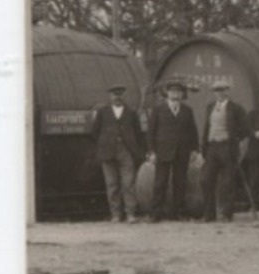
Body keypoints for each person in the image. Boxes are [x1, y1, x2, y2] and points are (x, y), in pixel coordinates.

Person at [89, 83, 145, 223]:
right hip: (108, 152)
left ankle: (131, 214)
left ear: (123, 96)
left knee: (128, 183)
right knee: (112, 184)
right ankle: (115, 214)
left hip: (126, 152)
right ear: (110, 96)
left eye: (120, 94)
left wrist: (135, 150)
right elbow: (94, 132)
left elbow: (138, 134)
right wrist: (104, 144)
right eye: (115, 94)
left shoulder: (131, 113)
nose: (117, 97)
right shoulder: (103, 112)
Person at [146, 80, 199, 222]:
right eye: (172, 91)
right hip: (163, 151)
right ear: (167, 93)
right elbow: (151, 132)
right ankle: (155, 213)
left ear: (182, 94)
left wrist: (195, 150)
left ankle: (177, 213)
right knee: (160, 183)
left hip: (182, 152)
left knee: (180, 183)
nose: (175, 94)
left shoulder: (187, 110)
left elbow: (192, 131)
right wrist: (151, 152)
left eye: (178, 92)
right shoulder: (158, 109)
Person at [200, 81, 248, 223]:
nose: (219, 93)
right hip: (212, 147)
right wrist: (205, 147)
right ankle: (209, 215)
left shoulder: (236, 108)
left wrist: (234, 138)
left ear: (227, 91)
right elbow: (207, 128)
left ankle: (227, 214)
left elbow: (246, 128)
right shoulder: (210, 107)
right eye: (216, 91)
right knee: (206, 180)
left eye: (222, 90)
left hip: (227, 147)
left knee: (227, 182)